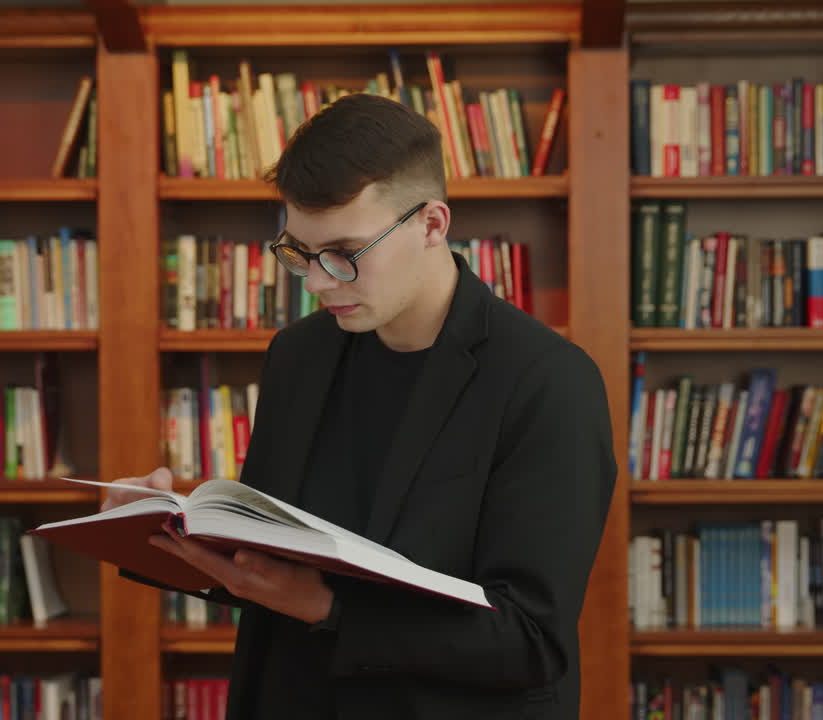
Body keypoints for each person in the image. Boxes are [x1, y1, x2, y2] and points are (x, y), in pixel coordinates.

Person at [105, 92, 616, 719]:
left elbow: (531, 641)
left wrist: (329, 608)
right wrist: (155, 532)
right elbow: (271, 569)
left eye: (345, 253)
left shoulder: (548, 381)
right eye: (298, 252)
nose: (318, 282)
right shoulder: (298, 354)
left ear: (433, 224)